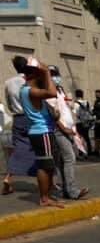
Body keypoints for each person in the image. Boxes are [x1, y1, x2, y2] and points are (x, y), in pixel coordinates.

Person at [19, 60, 61, 207]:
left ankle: (46, 196)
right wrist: (47, 72)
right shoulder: (30, 91)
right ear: (34, 75)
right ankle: (44, 198)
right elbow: (52, 93)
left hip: (41, 131)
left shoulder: (27, 90)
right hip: (42, 132)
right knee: (45, 166)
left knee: (47, 165)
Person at [47, 65, 87, 200]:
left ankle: (66, 190)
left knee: (64, 161)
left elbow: (65, 110)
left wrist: (73, 129)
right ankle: (72, 190)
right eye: (52, 74)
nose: (55, 77)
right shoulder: (48, 91)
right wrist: (63, 128)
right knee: (70, 158)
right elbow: (52, 113)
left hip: (68, 129)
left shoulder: (59, 90)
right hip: (59, 130)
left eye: (56, 74)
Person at [3, 55, 37, 196]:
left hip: (17, 118)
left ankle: (8, 178)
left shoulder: (8, 82)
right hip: (32, 118)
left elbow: (9, 103)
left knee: (18, 149)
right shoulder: (30, 81)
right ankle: (50, 183)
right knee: (41, 149)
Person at [73, 89, 93, 157]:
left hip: (79, 122)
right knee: (87, 137)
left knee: (80, 137)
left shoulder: (75, 103)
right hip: (86, 121)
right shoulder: (86, 102)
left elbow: (75, 113)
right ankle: (90, 151)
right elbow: (90, 111)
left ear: (76, 95)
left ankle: (81, 152)